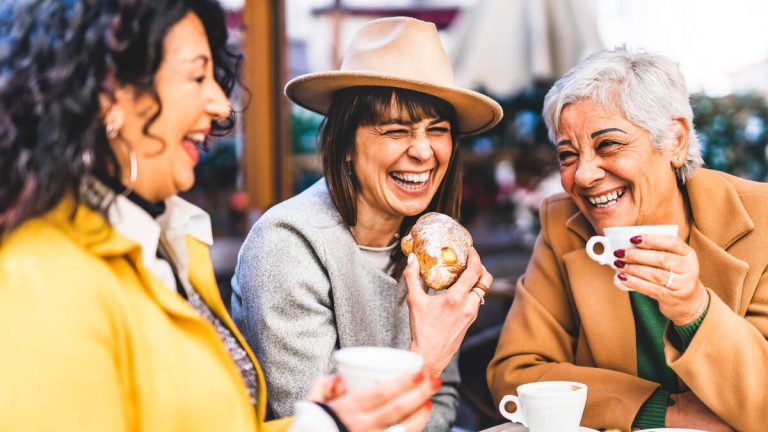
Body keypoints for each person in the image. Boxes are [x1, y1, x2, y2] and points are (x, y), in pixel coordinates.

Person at [0, 1, 439, 431]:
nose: (221, 105)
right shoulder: (39, 279)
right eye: (196, 76)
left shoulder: (166, 243)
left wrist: (324, 422)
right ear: (108, 94)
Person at [232, 17, 500, 431]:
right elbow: (313, 421)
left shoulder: (428, 247)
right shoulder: (287, 244)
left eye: (439, 130)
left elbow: (445, 401)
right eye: (396, 130)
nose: (424, 151)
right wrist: (425, 357)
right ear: (345, 145)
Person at [487, 47, 768, 432]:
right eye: (567, 155)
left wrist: (694, 310)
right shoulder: (562, 224)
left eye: (608, 145)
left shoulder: (763, 221)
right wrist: (662, 411)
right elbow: (515, 375)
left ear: (675, 141)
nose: (583, 176)